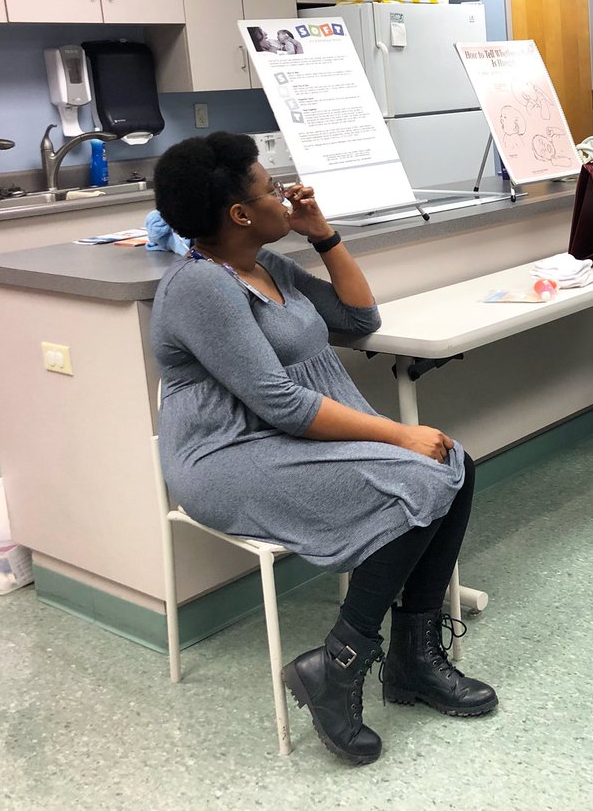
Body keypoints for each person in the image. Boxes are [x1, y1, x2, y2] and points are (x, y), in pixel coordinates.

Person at [150, 132, 496, 766]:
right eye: (270, 188)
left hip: (281, 438)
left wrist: (323, 235)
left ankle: (412, 660)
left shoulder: (263, 264)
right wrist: (396, 433)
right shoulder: (201, 288)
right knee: (420, 476)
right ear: (240, 214)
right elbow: (281, 404)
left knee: (454, 463)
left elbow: (360, 321)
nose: (287, 193)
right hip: (227, 455)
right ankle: (339, 665)